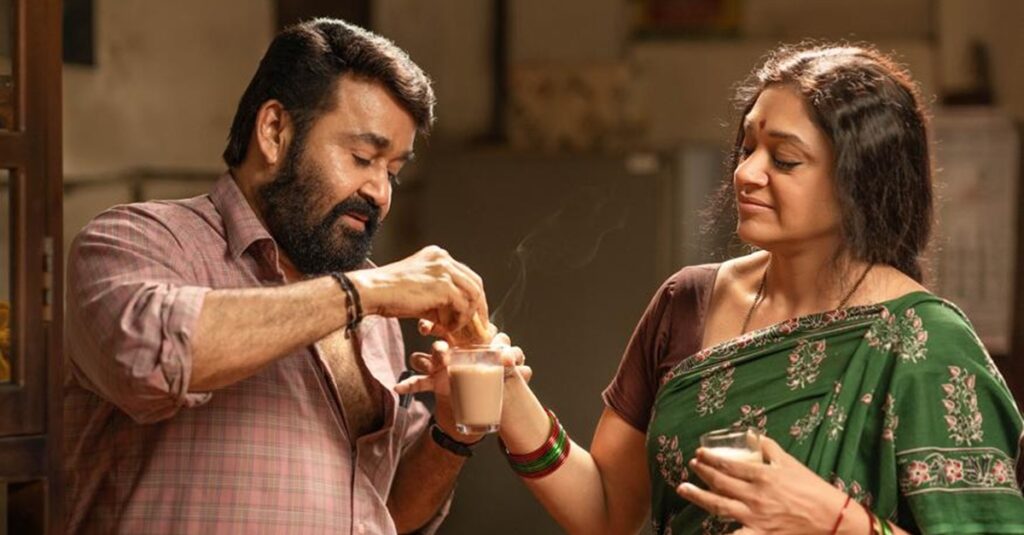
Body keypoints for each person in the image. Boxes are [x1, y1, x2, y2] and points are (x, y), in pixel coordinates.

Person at [399, 43, 1024, 534]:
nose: (746, 173)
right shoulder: (688, 302)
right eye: (747, 147)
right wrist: (502, 386)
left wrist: (830, 520)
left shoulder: (926, 345)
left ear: (862, 180)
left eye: (784, 160)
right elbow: (607, 512)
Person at [64, 18, 496, 534]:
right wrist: (363, 293)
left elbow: (386, 511)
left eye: (393, 172)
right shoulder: (136, 240)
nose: (380, 193)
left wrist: (453, 425)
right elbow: (146, 357)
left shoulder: (373, 310)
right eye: (362, 158)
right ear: (274, 132)